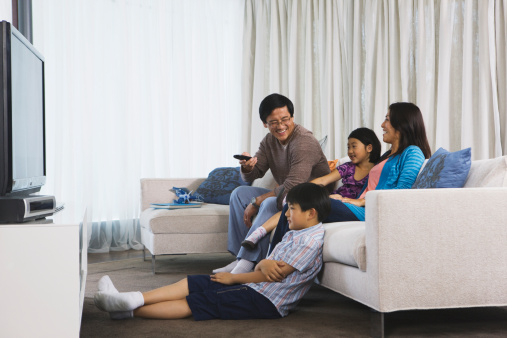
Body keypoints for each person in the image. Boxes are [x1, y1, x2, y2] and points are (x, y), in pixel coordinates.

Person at [93, 183, 331, 321]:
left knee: (197, 302)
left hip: (265, 299)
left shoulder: (309, 242)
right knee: (195, 282)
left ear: (311, 213)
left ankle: (130, 311)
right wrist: (261, 265)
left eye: (291, 209)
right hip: (256, 286)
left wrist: (236, 277)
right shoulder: (296, 232)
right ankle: (134, 298)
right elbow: (267, 267)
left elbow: (273, 273)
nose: (287, 214)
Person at [268, 102, 432, 255]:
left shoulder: (412, 152)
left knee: (304, 203)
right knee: (296, 205)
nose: (382, 125)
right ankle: (274, 262)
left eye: (387, 119)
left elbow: (401, 192)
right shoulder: (387, 156)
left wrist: (358, 201)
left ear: (402, 124)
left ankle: (272, 264)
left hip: (370, 212)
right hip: (361, 208)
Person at [214, 93, 330, 274]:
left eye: (285, 119)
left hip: (308, 198)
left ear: (292, 117)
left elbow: (294, 186)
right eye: (273, 122)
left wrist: (257, 201)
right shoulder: (269, 141)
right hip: (288, 196)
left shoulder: (304, 141)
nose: (281, 126)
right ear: (264, 123)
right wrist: (247, 167)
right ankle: (239, 257)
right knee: (238, 193)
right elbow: (254, 173)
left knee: (267, 202)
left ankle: (247, 262)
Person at [241, 127, 381, 250]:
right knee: (293, 205)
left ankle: (265, 241)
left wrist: (344, 200)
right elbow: (323, 180)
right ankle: (260, 235)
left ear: (369, 148)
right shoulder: (348, 167)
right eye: (348, 147)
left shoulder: (377, 170)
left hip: (347, 205)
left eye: (354, 146)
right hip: (332, 198)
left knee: (301, 208)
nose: (350, 151)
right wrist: (300, 191)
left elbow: (369, 196)